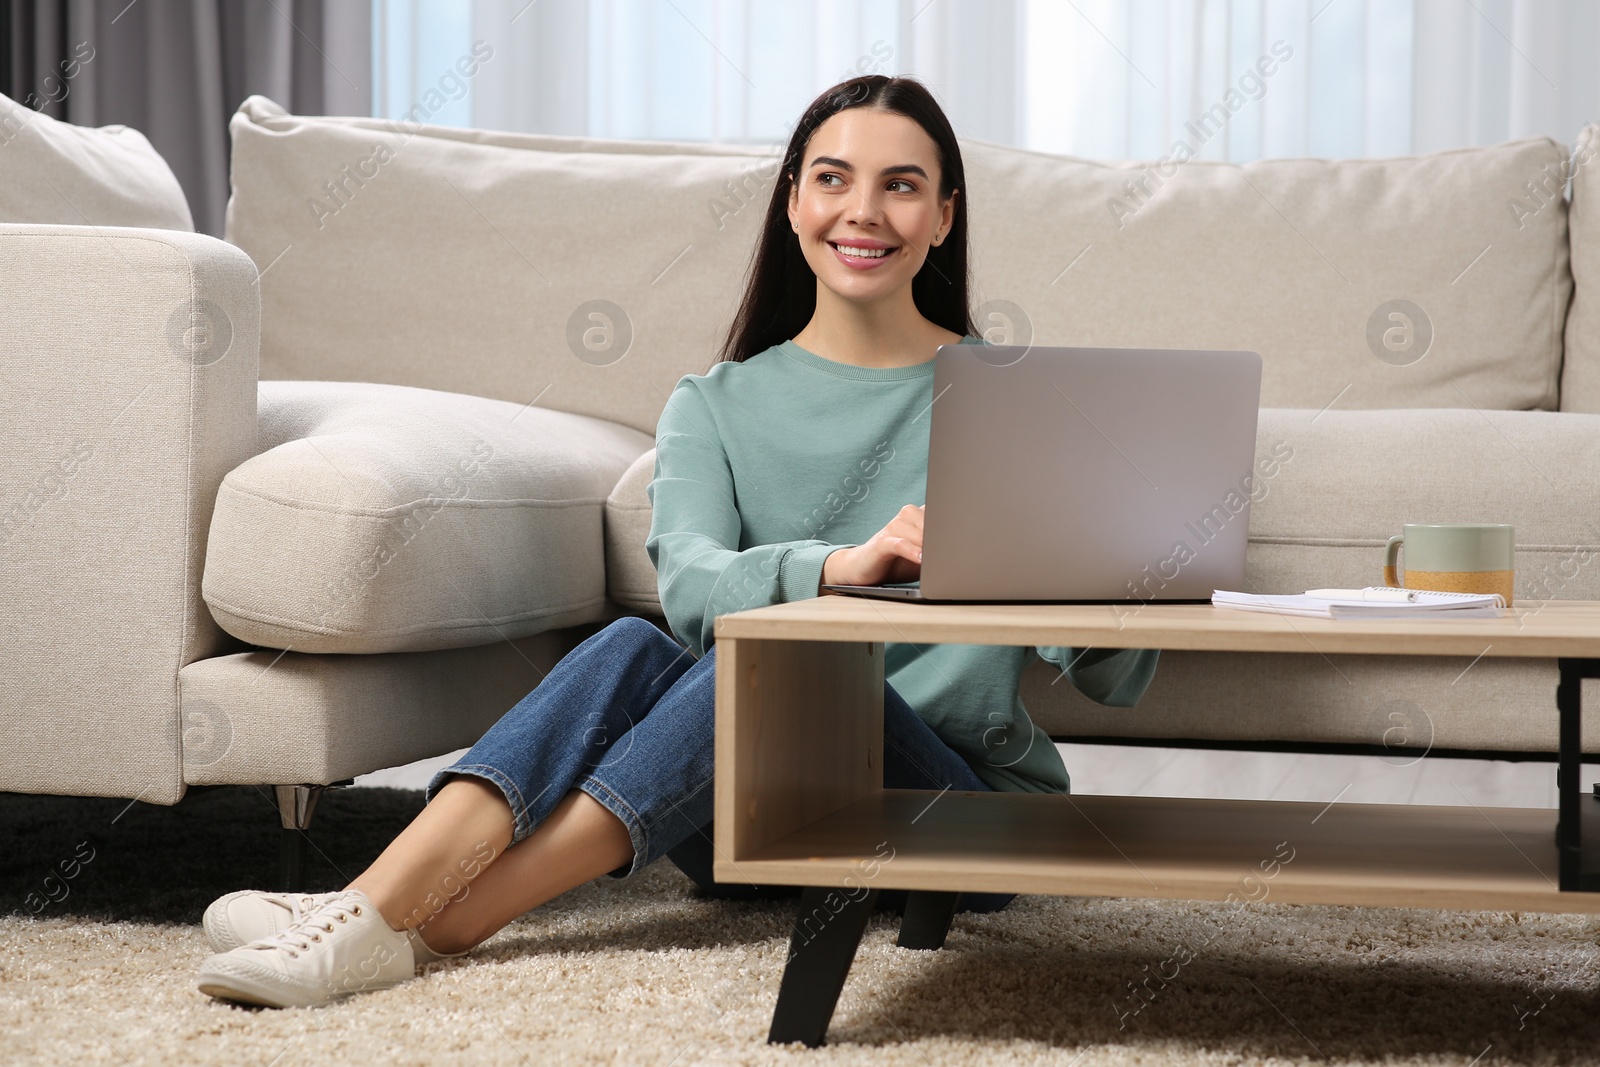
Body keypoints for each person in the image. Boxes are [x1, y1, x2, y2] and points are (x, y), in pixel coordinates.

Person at [194, 73, 1160, 1010]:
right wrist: (835, 566)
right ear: (792, 203)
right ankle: (373, 906)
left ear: (944, 216)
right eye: (832, 178)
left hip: (950, 817)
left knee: (777, 665)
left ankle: (405, 922)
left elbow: (1114, 672)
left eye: (901, 185)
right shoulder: (714, 404)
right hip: (740, 824)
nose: (863, 210)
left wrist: (1080, 560)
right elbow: (692, 590)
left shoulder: (1014, 405)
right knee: (631, 645)